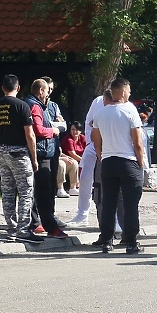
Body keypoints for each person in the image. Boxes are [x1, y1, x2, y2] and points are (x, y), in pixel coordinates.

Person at [92, 78, 146, 254]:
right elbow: (137, 142)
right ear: (123, 92)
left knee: (109, 202)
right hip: (128, 160)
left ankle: (107, 240)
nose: (130, 94)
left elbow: (96, 139)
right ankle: (131, 242)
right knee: (131, 204)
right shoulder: (130, 111)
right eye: (129, 91)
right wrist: (141, 161)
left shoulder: (101, 113)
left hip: (108, 161)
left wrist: (101, 156)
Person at [0, 74, 40, 242]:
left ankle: (11, 230)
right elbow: (30, 135)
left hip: (2, 152)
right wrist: (34, 158)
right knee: (25, 192)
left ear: (3, 88)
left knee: (8, 192)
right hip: (20, 152)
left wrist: (0, 147)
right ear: (18, 88)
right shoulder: (22, 106)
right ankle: (23, 231)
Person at [25, 79, 67, 239]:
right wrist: (53, 130)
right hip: (42, 152)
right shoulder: (35, 106)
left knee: (32, 191)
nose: (48, 93)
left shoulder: (28, 103)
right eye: (46, 90)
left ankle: (33, 223)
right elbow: (38, 130)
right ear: (40, 91)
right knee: (43, 191)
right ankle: (50, 226)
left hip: (43, 151)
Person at [67, 93, 107, 227]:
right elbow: (89, 122)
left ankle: (117, 218)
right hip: (94, 144)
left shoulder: (124, 104)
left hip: (112, 146)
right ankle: (82, 214)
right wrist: (91, 142)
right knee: (84, 177)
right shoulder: (98, 101)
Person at [60, 121, 86, 196]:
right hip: (68, 159)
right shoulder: (68, 139)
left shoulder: (82, 138)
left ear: (80, 131)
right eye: (73, 129)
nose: (75, 132)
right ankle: (74, 186)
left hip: (80, 159)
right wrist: (84, 160)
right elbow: (73, 155)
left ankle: (86, 184)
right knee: (77, 163)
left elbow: (87, 149)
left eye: (77, 130)